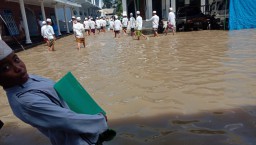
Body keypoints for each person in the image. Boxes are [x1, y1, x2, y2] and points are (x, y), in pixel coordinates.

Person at [0, 40, 115, 145]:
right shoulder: (24, 101)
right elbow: (68, 120)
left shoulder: (30, 79)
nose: (18, 68)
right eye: (6, 68)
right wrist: (100, 119)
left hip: (88, 133)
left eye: (16, 60)